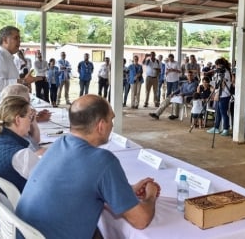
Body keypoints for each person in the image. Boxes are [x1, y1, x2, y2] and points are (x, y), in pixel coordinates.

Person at [16, 94, 160, 238]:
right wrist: (151, 195)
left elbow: (79, 186)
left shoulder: (59, 144)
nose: (112, 125)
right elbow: (140, 220)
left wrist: (127, 190)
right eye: (111, 119)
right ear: (101, 126)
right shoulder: (103, 161)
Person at [0, 96, 46, 193]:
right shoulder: (22, 155)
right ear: (18, 120)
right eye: (29, 117)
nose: (30, 121)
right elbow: (46, 183)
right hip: (17, 206)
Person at [0, 26, 39, 121]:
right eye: (16, 38)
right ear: (5, 40)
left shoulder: (8, 57)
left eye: (19, 38)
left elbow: (10, 82)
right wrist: (24, 81)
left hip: (7, 107)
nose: (19, 41)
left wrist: (24, 81)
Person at [0, 84, 50, 151]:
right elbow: (35, 150)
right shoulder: (12, 129)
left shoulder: (1, 118)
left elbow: (34, 142)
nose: (30, 105)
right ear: (16, 104)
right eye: (27, 101)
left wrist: (32, 119)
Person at [207, 58, 232, 136]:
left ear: (222, 65)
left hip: (224, 95)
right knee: (218, 112)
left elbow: (223, 85)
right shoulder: (218, 72)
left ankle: (226, 129)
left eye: (218, 65)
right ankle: (216, 127)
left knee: (223, 112)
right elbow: (216, 83)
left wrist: (217, 94)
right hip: (218, 94)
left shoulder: (226, 72)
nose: (217, 66)